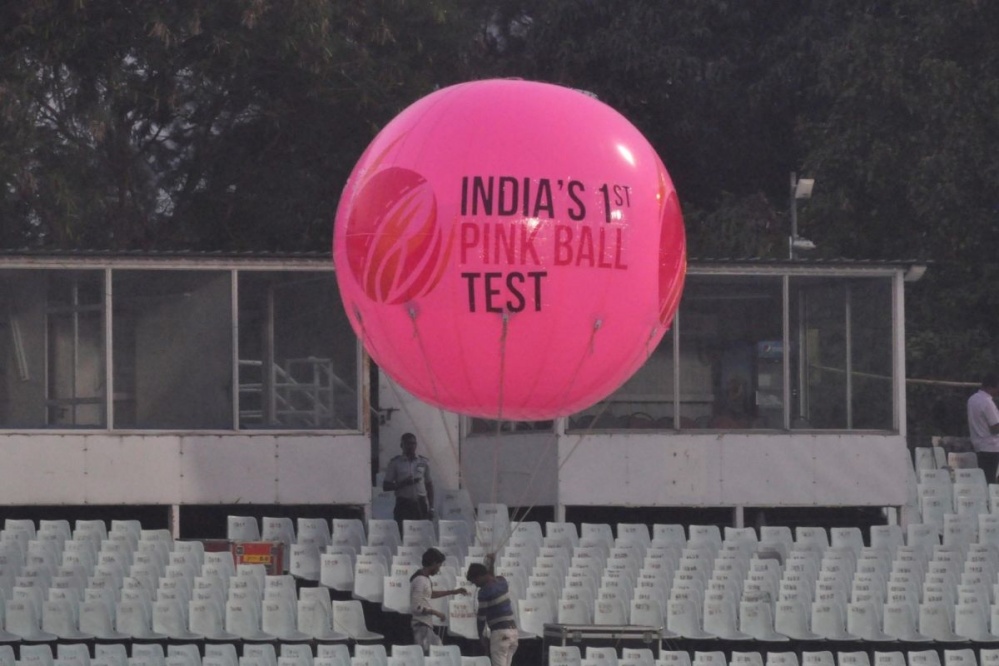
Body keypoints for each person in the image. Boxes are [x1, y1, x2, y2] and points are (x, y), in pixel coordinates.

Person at [410, 548, 467, 654]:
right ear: (434, 563)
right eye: (439, 566)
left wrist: (453, 592)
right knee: (435, 651)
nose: (439, 569)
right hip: (420, 625)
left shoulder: (425, 579)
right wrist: (436, 612)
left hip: (425, 625)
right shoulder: (420, 581)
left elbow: (430, 594)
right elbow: (416, 607)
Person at [466, 561, 519, 666]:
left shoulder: (484, 592)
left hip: (500, 633)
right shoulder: (502, 582)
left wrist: (481, 636)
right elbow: (492, 577)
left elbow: (481, 618)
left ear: (480, 576)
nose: (476, 585)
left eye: (475, 581)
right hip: (513, 632)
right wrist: (491, 563)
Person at [383, 432, 435, 529]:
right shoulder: (395, 463)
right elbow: (386, 486)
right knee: (403, 533)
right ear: (401, 445)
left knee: (421, 533)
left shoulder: (423, 462)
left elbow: (429, 485)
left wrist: (431, 507)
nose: (410, 446)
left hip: (420, 503)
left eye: (413, 443)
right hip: (404, 504)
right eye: (407, 443)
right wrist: (402, 484)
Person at [968, 374, 999, 481]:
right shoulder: (987, 402)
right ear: (990, 387)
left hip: (978, 445)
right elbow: (995, 428)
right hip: (991, 447)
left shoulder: (972, 399)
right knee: (990, 479)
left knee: (983, 479)